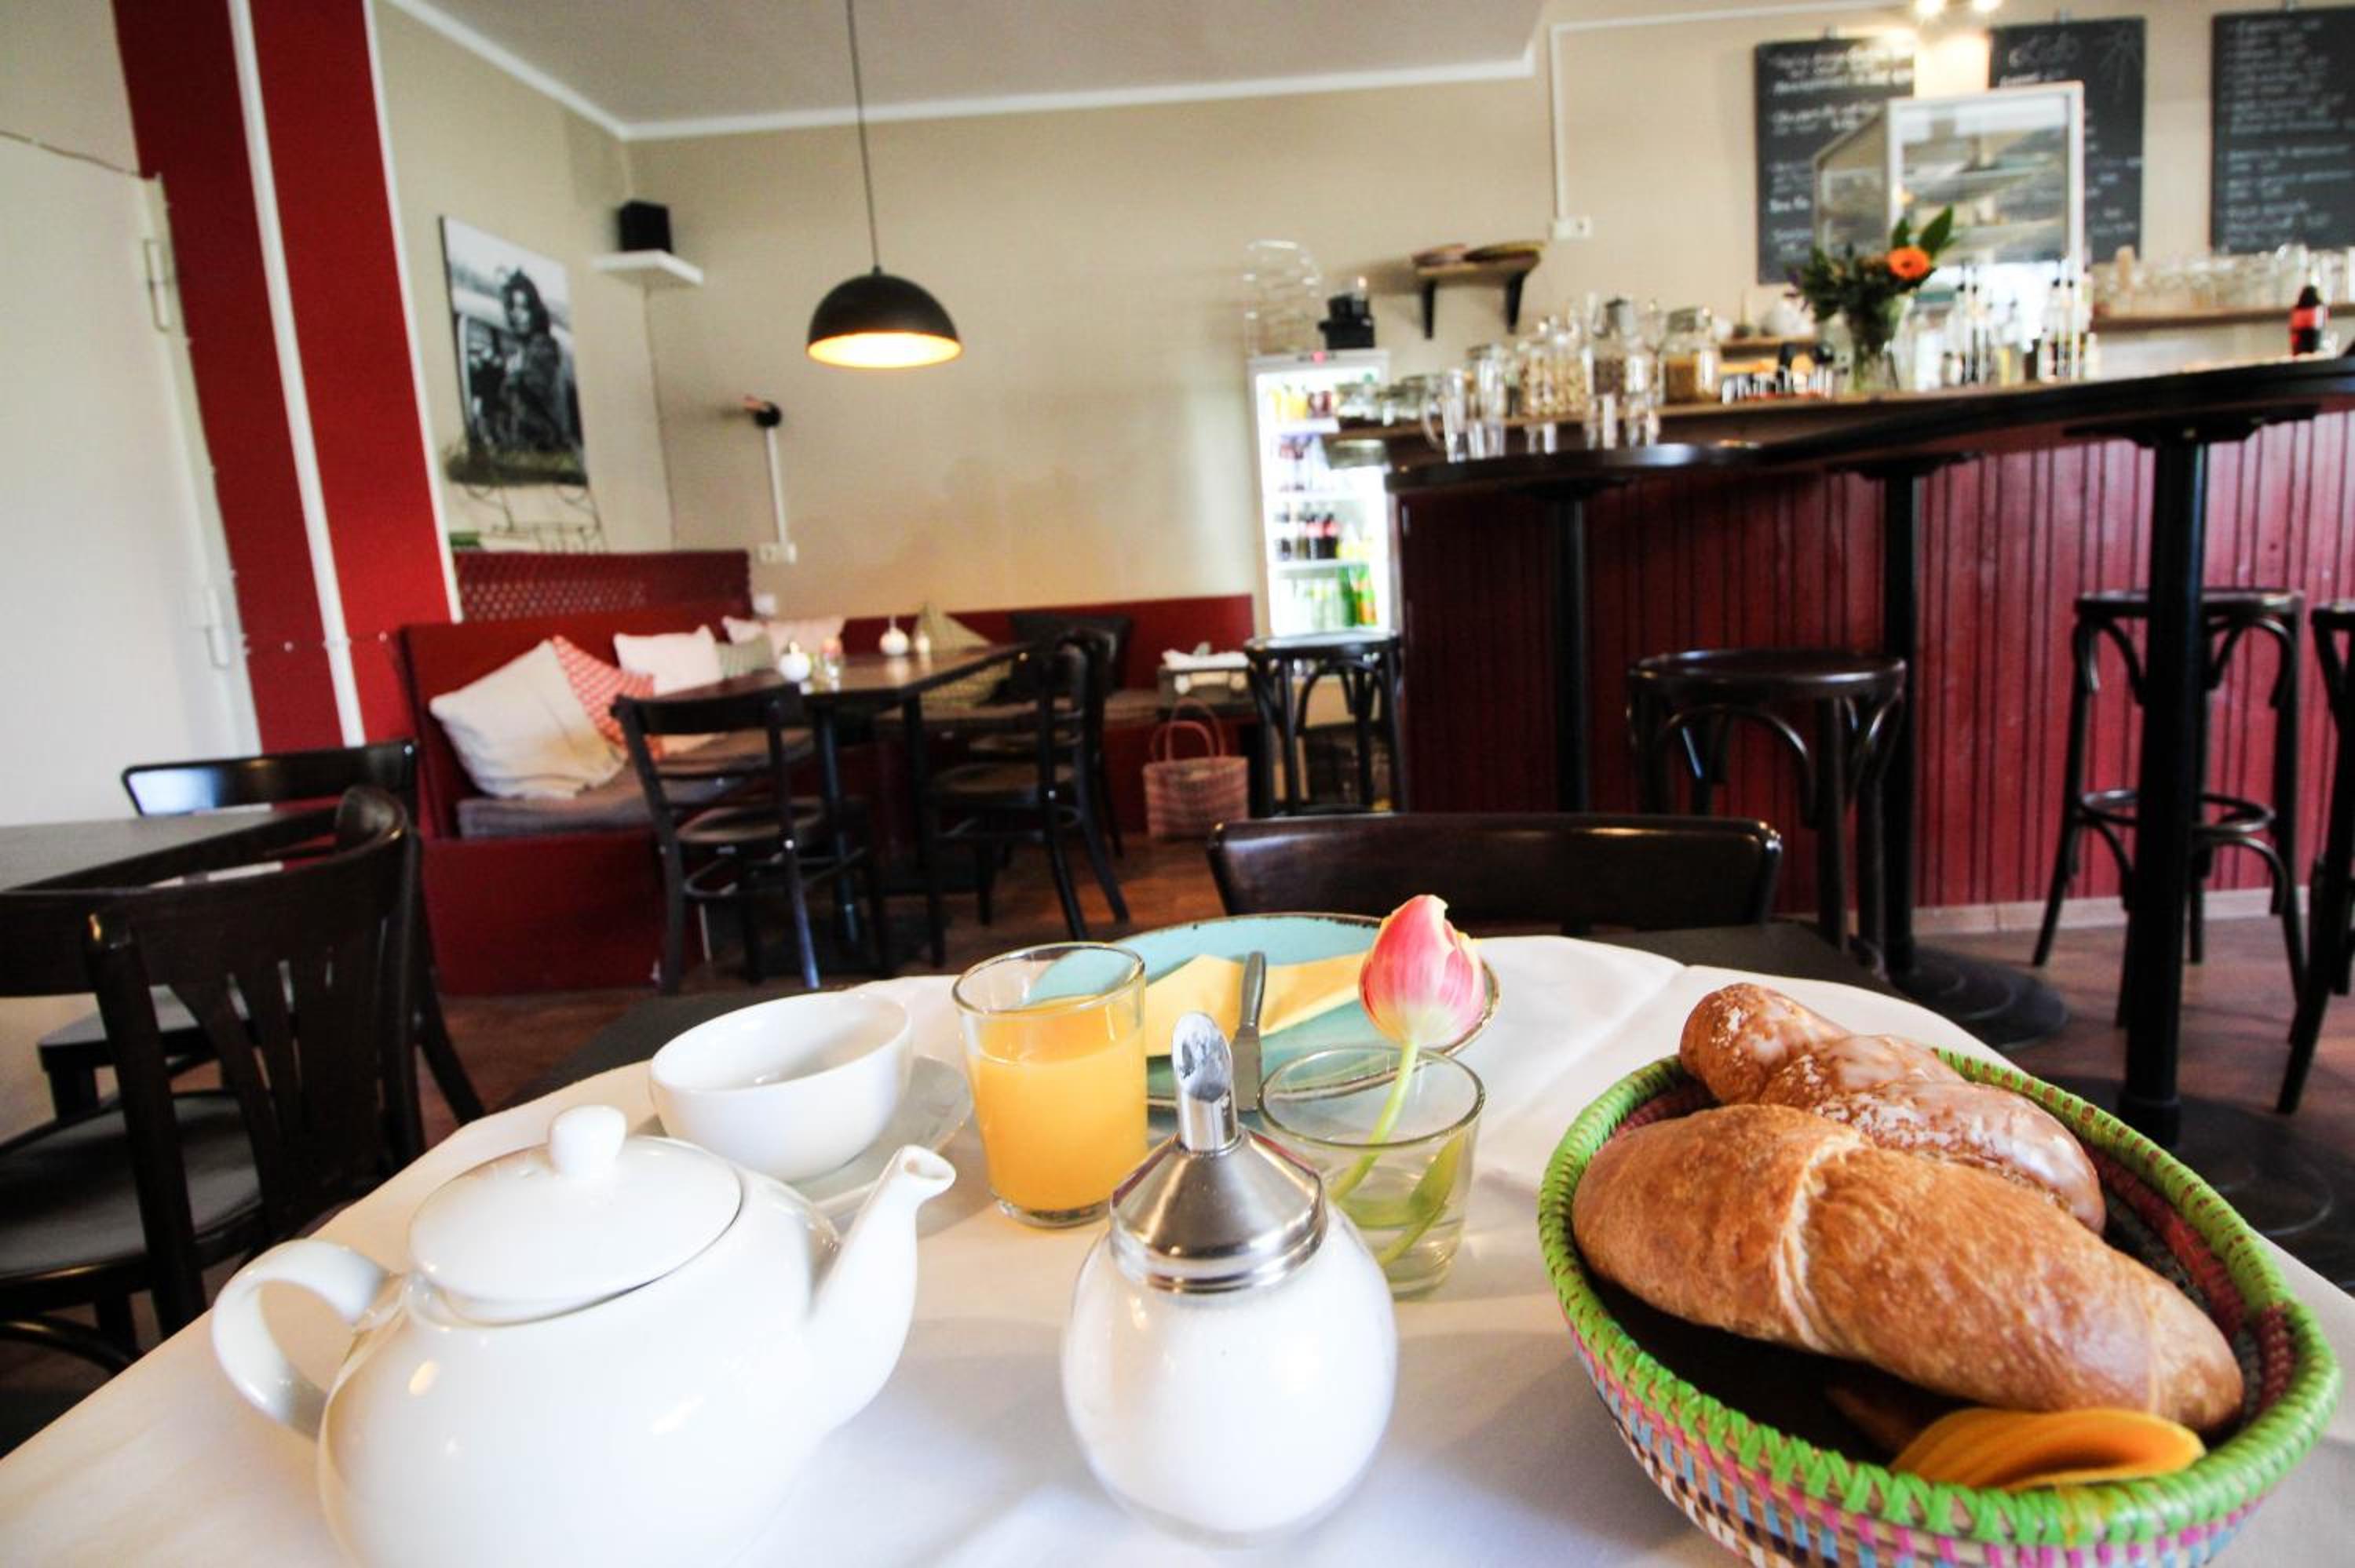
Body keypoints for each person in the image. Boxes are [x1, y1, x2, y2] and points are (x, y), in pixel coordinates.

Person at [492, 269, 581, 458]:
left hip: (547, 455)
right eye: (512, 307)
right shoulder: (531, 347)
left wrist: (512, 380)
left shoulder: (542, 352)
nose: (516, 315)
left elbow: (534, 416)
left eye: (523, 308)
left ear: (535, 311)